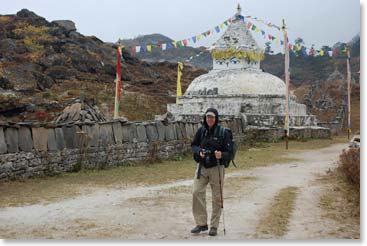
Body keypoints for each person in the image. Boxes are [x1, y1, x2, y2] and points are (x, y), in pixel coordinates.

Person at [190, 107, 231, 236]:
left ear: (216, 118)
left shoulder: (223, 132)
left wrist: (221, 155)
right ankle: (201, 223)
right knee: (196, 192)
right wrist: (199, 151)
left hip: (217, 167)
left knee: (217, 197)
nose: (209, 119)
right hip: (202, 167)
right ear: (205, 118)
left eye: (212, 117)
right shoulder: (201, 131)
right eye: (208, 117)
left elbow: (229, 153)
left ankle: (214, 226)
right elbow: (194, 145)